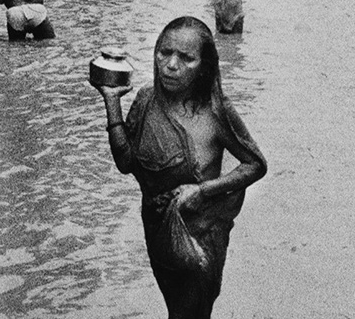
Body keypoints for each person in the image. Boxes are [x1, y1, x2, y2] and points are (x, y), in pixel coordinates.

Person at [93, 16, 267, 319]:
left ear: (204, 65)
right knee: (176, 308)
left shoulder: (216, 111)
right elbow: (126, 163)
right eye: (165, 52)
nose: (171, 65)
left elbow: (255, 165)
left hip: (200, 230)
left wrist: (202, 191)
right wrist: (111, 103)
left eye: (186, 58)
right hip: (157, 224)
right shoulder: (147, 100)